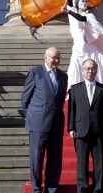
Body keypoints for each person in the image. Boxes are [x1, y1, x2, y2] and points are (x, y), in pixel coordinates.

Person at [21, 47, 68, 193]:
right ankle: (36, 188)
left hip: (56, 123)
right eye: (53, 57)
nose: (56, 60)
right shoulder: (35, 73)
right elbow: (25, 99)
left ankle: (51, 188)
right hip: (38, 123)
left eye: (58, 58)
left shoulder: (63, 76)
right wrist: (33, 117)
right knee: (36, 158)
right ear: (45, 58)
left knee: (55, 159)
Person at [68, 59, 103, 193]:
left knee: (99, 162)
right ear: (82, 70)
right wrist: (71, 128)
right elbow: (72, 110)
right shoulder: (75, 89)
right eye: (87, 68)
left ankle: (98, 188)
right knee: (82, 162)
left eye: (93, 68)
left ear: (96, 71)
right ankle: (82, 187)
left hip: (98, 130)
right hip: (81, 130)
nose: (90, 71)